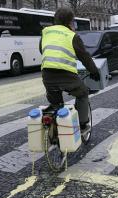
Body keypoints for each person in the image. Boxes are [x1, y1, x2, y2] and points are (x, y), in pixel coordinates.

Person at [39, 7, 100, 135]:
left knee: (56, 103)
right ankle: (83, 124)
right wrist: (94, 71)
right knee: (83, 93)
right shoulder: (72, 35)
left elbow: (42, 50)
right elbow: (84, 57)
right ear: (70, 22)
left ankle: (55, 129)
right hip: (66, 75)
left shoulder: (46, 32)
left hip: (47, 75)